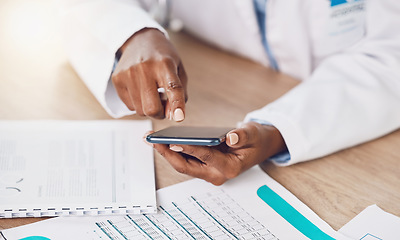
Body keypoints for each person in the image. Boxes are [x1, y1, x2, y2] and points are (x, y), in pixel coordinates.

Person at [59, 0, 400, 185]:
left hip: (360, 145)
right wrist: (132, 34)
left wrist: (278, 131)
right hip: (228, 81)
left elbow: (392, 56)